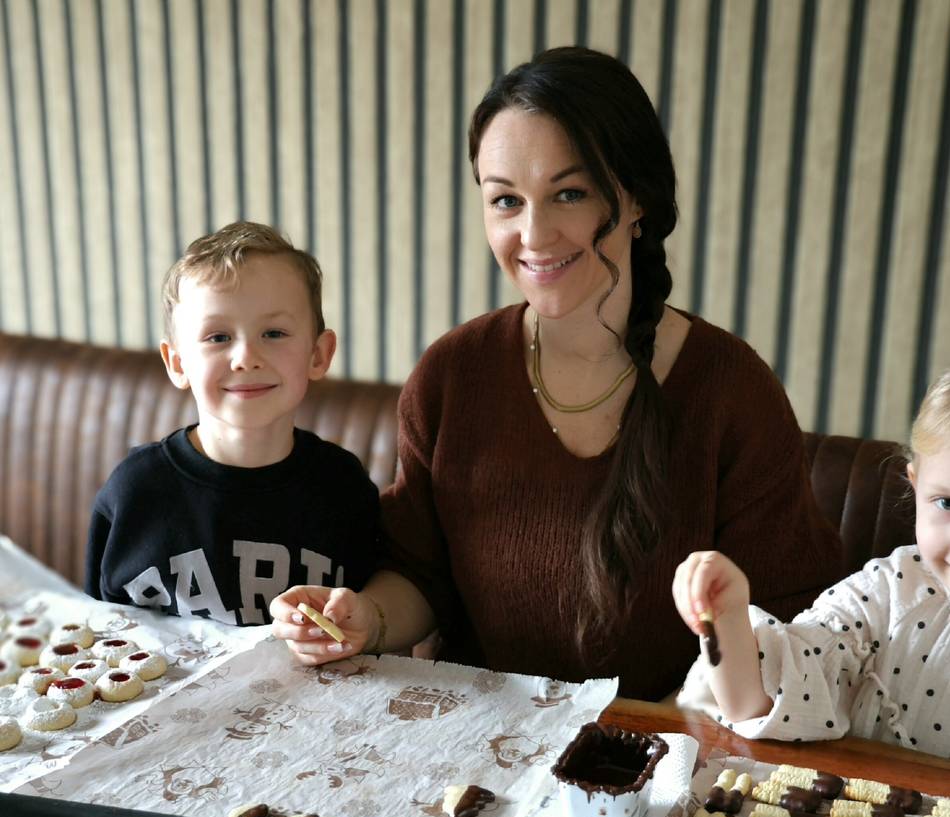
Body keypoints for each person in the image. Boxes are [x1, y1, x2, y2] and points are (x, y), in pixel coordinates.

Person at [270, 47, 841, 698]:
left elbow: (789, 628)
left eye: (569, 192)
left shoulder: (731, 392)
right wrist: (365, 620)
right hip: (477, 753)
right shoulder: (452, 375)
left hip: (661, 759)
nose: (534, 233)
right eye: (506, 200)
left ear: (636, 198)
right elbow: (419, 575)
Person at [85, 221, 379, 624]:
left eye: (274, 332)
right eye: (217, 337)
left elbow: (373, 634)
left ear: (318, 354)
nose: (246, 357)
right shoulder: (135, 492)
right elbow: (101, 639)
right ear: (177, 362)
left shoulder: (343, 486)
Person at [673, 370, 950, 756]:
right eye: (947, 504)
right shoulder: (890, 594)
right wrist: (728, 619)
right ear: (916, 485)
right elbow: (757, 702)